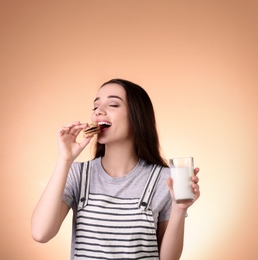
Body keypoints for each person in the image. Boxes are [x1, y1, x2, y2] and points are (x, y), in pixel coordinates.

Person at [31, 78, 200, 260]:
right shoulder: (78, 174)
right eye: (95, 107)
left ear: (137, 116)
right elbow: (41, 234)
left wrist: (179, 209)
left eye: (112, 104)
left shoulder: (165, 179)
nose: (99, 112)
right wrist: (65, 159)